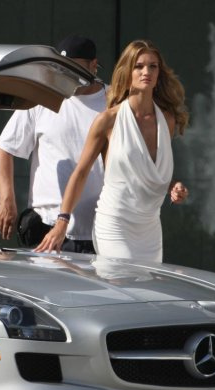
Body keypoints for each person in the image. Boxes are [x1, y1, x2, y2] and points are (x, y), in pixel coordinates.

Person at [35, 40, 189, 262]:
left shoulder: (167, 120)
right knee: (121, 278)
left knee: (146, 284)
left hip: (150, 227)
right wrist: (62, 222)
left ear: (159, 72)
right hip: (115, 224)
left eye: (153, 66)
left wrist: (173, 187)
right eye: (139, 66)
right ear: (127, 72)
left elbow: (148, 172)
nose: (146, 72)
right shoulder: (108, 120)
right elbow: (81, 172)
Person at [0, 35, 107, 253]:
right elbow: (4, 148)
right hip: (46, 229)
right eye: (61, 68)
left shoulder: (113, 101)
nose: (67, 75)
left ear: (94, 66)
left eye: (74, 68)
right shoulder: (42, 98)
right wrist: (7, 199)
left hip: (100, 232)